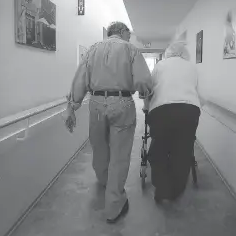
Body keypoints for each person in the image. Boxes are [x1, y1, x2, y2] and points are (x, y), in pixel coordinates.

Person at [66, 21, 153, 223]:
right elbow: (143, 81)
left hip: (95, 102)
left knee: (100, 148)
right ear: (122, 32)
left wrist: (71, 106)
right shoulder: (130, 49)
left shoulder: (93, 49)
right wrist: (146, 94)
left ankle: (106, 182)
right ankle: (114, 205)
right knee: (119, 155)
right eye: (128, 34)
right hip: (122, 103)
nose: (129, 38)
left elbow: (80, 79)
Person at [143, 41, 205, 202]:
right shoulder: (192, 67)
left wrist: (146, 107)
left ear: (168, 52)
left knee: (159, 149)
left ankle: (162, 188)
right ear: (185, 53)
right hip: (189, 111)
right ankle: (176, 191)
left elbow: (149, 90)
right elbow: (199, 93)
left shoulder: (160, 66)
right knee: (183, 151)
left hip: (162, 110)